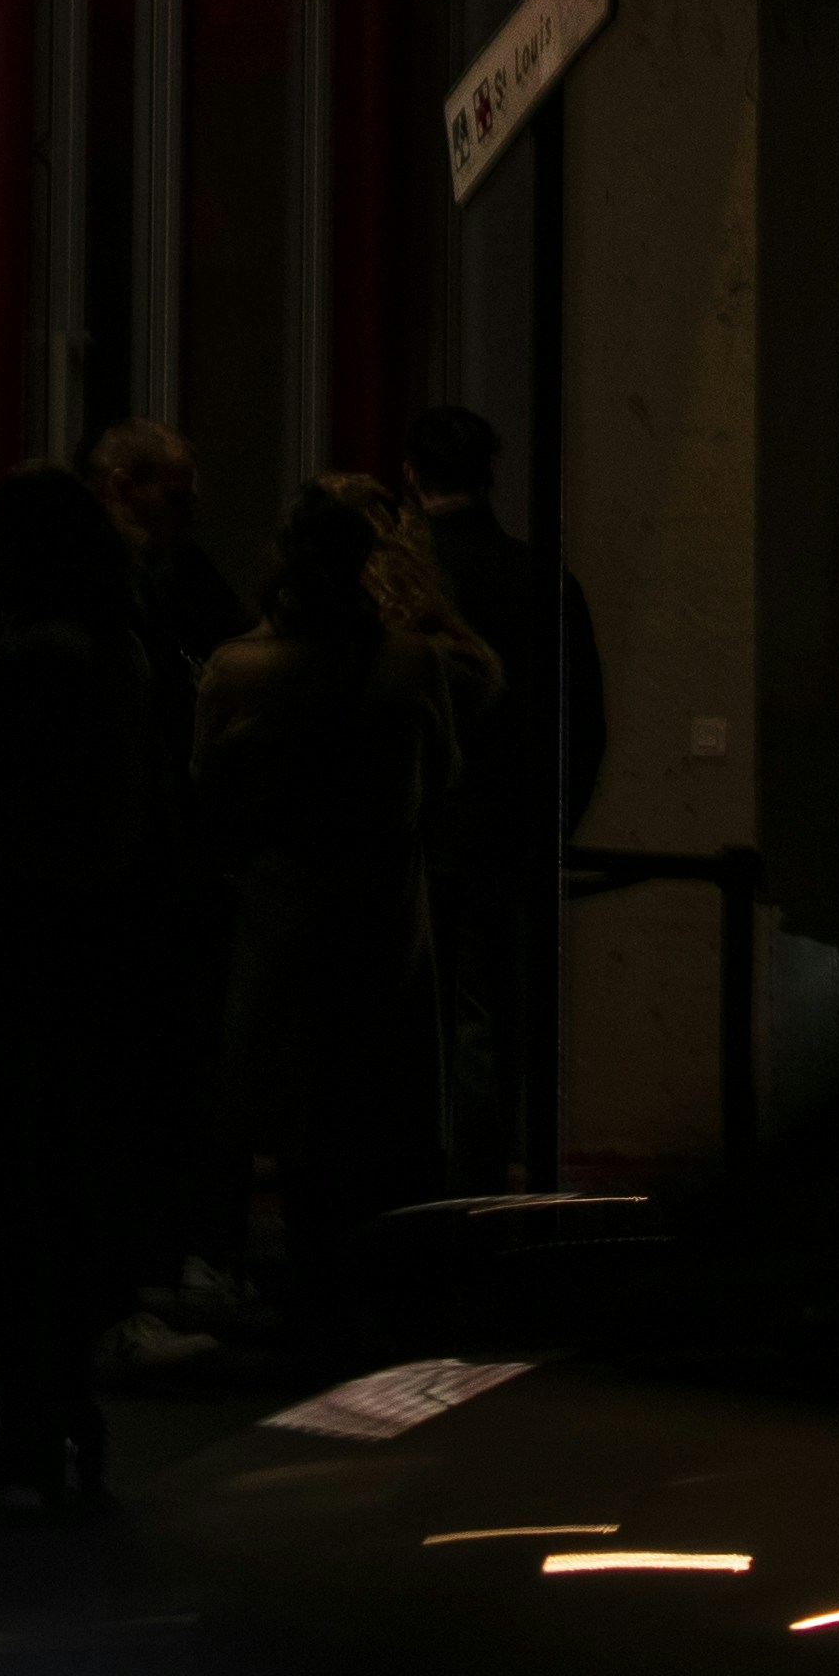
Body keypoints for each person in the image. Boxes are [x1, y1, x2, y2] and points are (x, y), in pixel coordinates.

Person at [195, 478, 493, 1303]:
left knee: (292, 1117)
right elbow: (441, 782)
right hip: (384, 917)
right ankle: (370, 1283)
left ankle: (298, 1278)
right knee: (373, 1113)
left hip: (282, 915)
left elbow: (208, 802)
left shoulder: (238, 671)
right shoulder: (414, 668)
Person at [0, 463, 157, 1518]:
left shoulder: (31, 664)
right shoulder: (118, 655)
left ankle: (30, 1421)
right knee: (66, 1195)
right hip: (94, 955)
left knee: (17, 1202)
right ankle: (67, 1411)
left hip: (13, 952)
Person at [396, 404, 604, 1187]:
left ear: (412, 475)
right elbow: (584, 724)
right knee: (489, 1022)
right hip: (504, 839)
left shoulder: (401, 586)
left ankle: (413, 1180)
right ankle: (478, 1184)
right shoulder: (541, 581)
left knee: (410, 1018)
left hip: (413, 837)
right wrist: (545, 825)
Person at [84, 421, 249, 1335]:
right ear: (124, 485)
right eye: (176, 489)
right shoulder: (175, 595)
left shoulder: (173, 587)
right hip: (156, 877)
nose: (192, 507)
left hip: (152, 877)